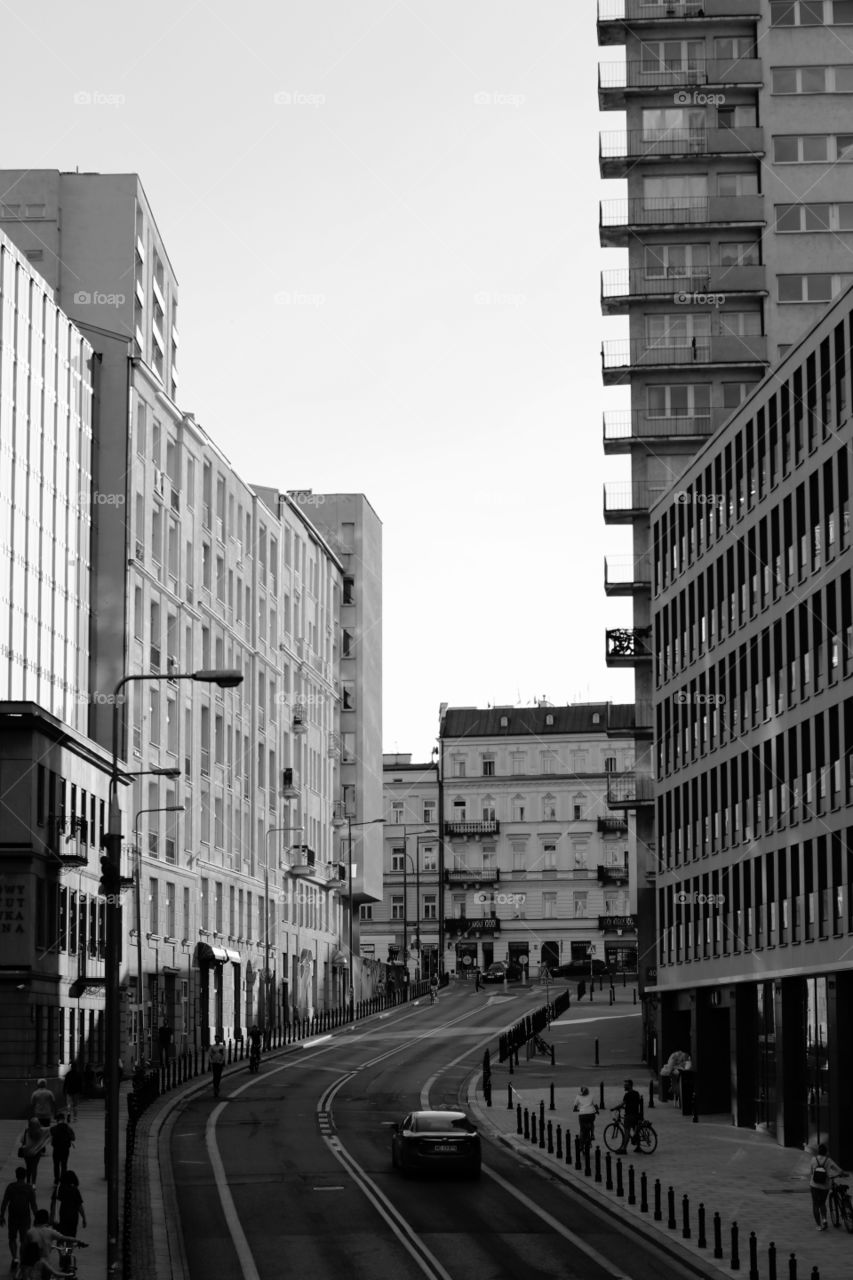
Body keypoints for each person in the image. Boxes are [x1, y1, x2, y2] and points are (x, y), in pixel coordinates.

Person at [0, 1168, 37, 1269]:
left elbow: (4, 1202)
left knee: (12, 1238)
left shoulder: (11, 1187)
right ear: (25, 1176)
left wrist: (2, 1215)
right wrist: (37, 1218)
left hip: (13, 1216)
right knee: (24, 1239)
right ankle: (21, 1259)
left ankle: (15, 1258)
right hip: (25, 1217)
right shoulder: (29, 1188)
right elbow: (33, 1205)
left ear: (16, 1175)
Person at [24, 1210, 79, 1277]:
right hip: (46, 1263)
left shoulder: (30, 1232)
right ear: (47, 1220)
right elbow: (65, 1238)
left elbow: (25, 1248)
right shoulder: (50, 1232)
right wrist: (78, 1241)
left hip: (32, 1264)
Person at [809, 1143, 843, 1230]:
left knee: (815, 1205)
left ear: (818, 1151)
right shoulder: (829, 1160)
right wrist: (839, 1174)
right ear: (826, 1152)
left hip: (814, 1185)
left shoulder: (813, 1159)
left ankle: (819, 1226)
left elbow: (811, 1173)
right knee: (822, 1203)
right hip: (825, 1186)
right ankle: (824, 1220)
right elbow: (839, 1170)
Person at [51, 1171, 86, 1239]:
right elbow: (79, 1206)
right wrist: (84, 1218)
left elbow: (53, 1204)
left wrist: (51, 1217)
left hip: (60, 1217)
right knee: (70, 1239)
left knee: (60, 1238)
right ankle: (68, 1249)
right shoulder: (74, 1190)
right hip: (72, 1218)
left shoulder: (58, 1189)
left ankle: (61, 1249)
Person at [19, 1118, 50, 1186]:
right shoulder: (41, 1131)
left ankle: (27, 1181)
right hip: (36, 1152)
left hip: (26, 1152)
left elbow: (21, 1140)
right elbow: (50, 1130)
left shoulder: (27, 1131)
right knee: (34, 1167)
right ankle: (33, 1183)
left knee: (28, 1167)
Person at [616, 1078, 643, 1154]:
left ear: (630, 1086)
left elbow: (623, 1104)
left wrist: (616, 1107)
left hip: (629, 1116)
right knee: (635, 1132)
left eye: (626, 1085)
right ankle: (638, 1147)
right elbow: (636, 1103)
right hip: (636, 1115)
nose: (624, 1087)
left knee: (627, 1133)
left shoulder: (627, 1095)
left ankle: (624, 1149)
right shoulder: (636, 1093)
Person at [48, 1113, 75, 1186]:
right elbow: (73, 1138)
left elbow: (50, 1134)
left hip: (56, 1149)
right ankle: (63, 1180)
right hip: (65, 1149)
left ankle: (56, 1181)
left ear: (57, 1120)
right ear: (64, 1119)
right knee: (64, 1165)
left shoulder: (53, 1128)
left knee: (56, 1165)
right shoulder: (68, 1128)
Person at [572, 1085, 599, 1152]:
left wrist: (576, 1110)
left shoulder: (578, 1096)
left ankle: (581, 1146)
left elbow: (575, 1107)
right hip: (591, 1114)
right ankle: (592, 1134)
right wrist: (597, 1111)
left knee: (582, 1129)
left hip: (582, 1115)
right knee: (592, 1122)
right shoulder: (591, 1096)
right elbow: (595, 1105)